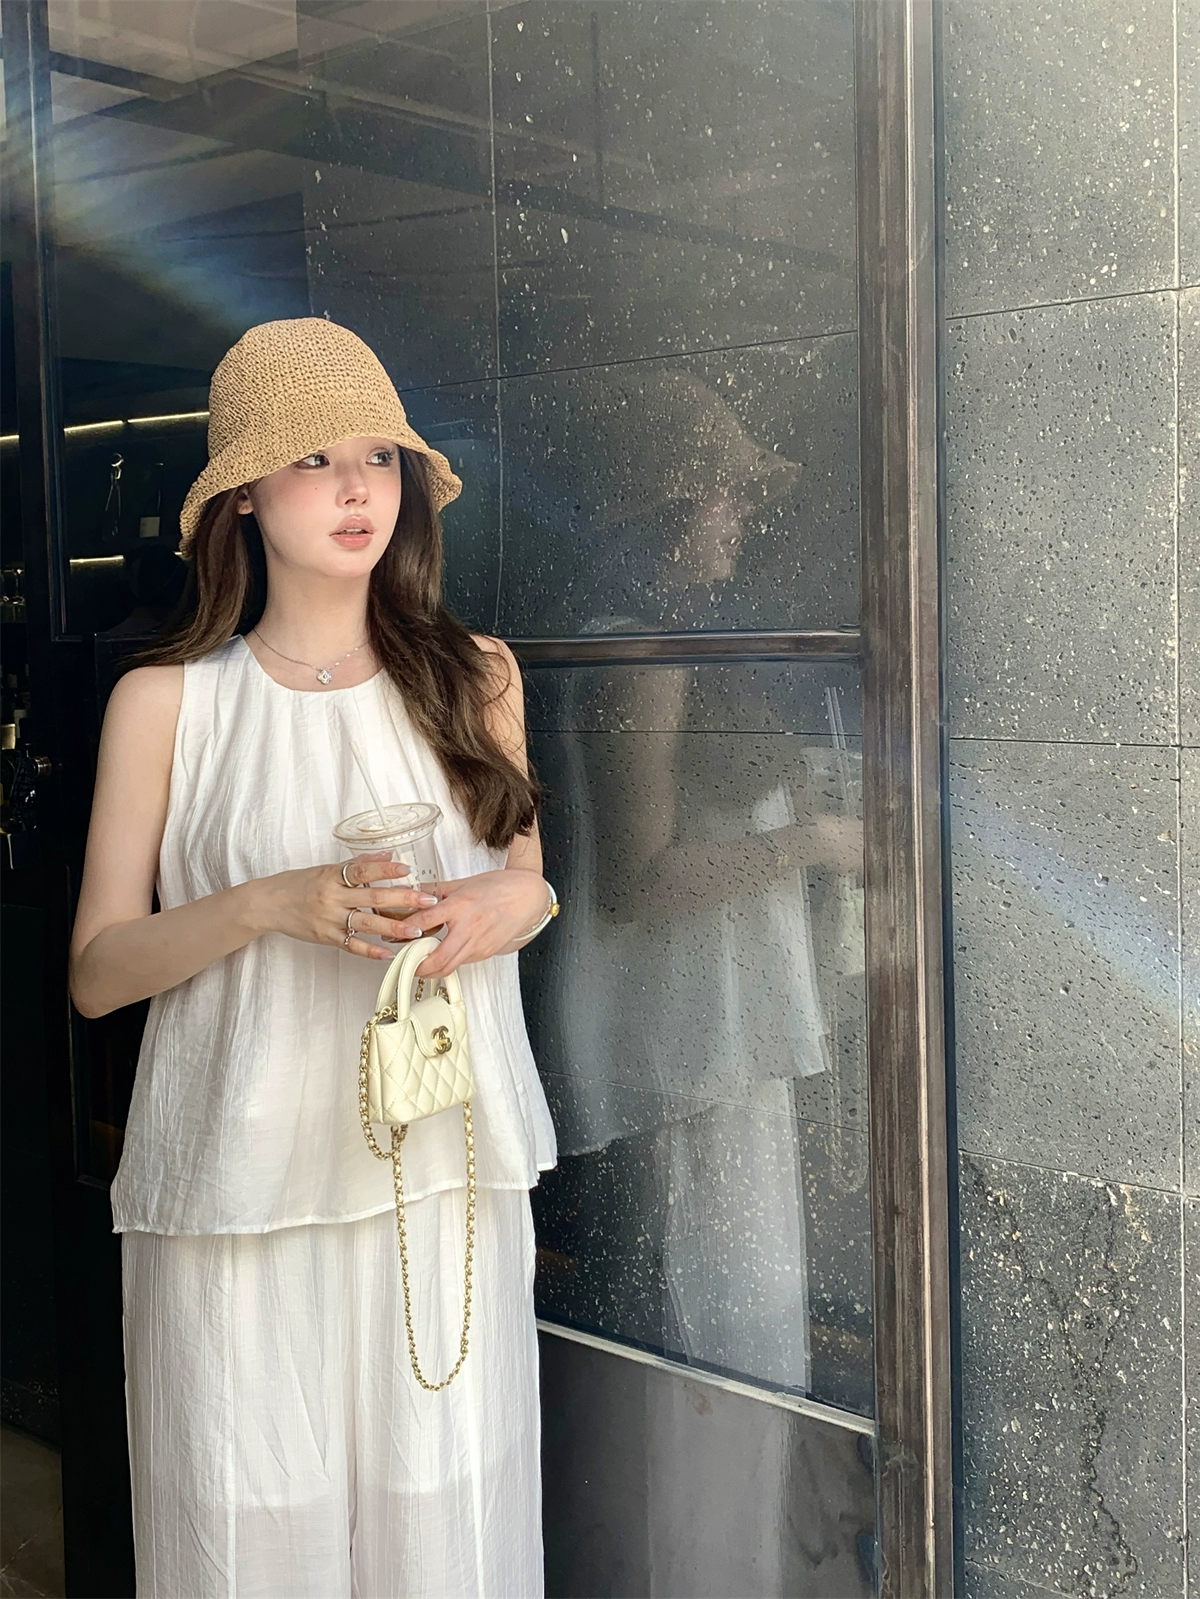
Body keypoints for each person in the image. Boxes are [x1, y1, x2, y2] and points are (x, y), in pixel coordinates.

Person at [68, 317, 558, 1599]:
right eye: (313, 460)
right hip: (239, 1191)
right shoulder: (170, 703)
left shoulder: (476, 676)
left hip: (438, 1179)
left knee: (445, 1535)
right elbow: (98, 972)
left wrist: (497, 907)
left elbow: (529, 882)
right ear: (242, 494)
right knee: (249, 1543)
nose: (356, 490)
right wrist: (269, 905)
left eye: (378, 458)